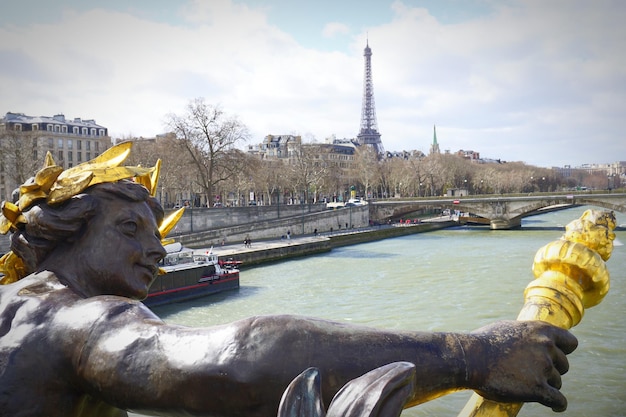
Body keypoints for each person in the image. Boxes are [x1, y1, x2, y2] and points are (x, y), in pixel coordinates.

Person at [0, 144, 577, 417]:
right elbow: (239, 357)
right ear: (62, 230)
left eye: (158, 232)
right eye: (129, 227)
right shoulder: (75, 320)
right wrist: (471, 356)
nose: (155, 249)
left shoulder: (15, 306)